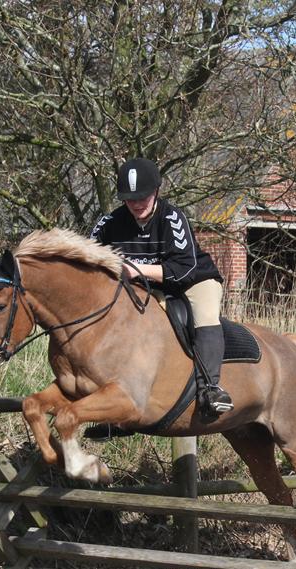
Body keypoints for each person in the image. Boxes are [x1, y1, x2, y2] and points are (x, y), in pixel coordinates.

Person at [90, 158, 234, 415]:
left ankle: (210, 389)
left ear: (156, 191)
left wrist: (137, 269)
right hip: (146, 285)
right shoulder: (108, 223)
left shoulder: (172, 218)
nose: (136, 204)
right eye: (129, 199)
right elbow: (88, 257)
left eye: (142, 197)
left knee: (205, 315)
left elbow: (184, 269)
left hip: (193, 281)